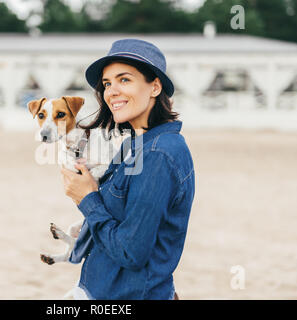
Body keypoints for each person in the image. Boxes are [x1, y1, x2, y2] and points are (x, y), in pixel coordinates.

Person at [60, 39, 195, 300]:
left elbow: (131, 252)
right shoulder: (134, 145)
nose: (111, 91)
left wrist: (87, 199)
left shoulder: (158, 154)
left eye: (124, 80)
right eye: (107, 83)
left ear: (155, 86)